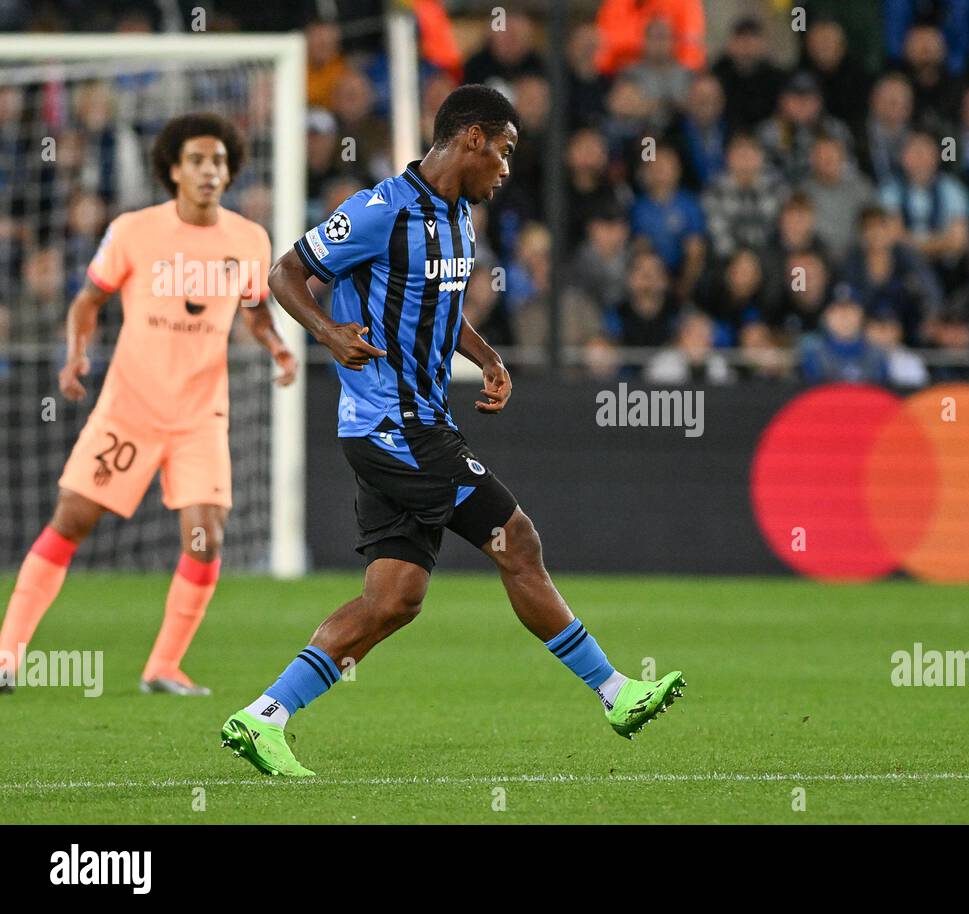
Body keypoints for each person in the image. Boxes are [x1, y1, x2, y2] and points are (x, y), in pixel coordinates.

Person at [220, 85, 685, 778]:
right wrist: (326, 332)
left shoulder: (461, 219)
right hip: (394, 425)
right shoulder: (381, 211)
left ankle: (263, 717)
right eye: (503, 150)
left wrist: (487, 356)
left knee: (395, 599)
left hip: (413, 424)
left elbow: (436, 309)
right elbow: (285, 271)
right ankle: (616, 692)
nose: (505, 167)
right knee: (517, 538)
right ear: (472, 138)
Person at [0, 113, 298, 696]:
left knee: (205, 537)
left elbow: (255, 309)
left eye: (218, 161)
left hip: (199, 416)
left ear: (229, 170)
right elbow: (88, 302)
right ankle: (8, 655)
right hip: (130, 409)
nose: (209, 171)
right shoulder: (134, 230)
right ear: (172, 169)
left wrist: (278, 349)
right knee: (73, 519)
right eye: (196, 160)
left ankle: (163, 666)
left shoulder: (248, 238)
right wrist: (76, 355)